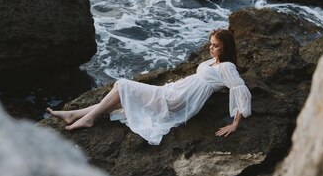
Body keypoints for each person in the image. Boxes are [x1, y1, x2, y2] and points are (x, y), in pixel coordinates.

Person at [47, 29, 252, 145]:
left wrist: (235, 123)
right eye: (210, 44)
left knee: (122, 85)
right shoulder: (213, 62)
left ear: (226, 47)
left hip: (178, 101)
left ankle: (88, 118)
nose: (210, 47)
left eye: (215, 45)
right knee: (122, 99)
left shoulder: (227, 67)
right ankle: (74, 115)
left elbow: (240, 91)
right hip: (174, 92)